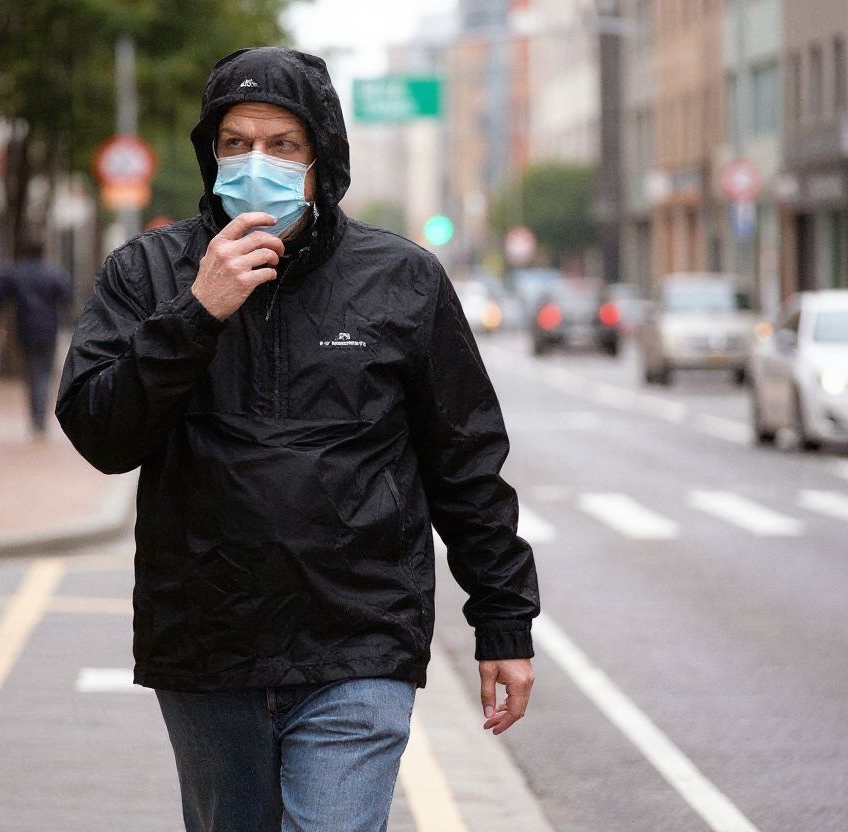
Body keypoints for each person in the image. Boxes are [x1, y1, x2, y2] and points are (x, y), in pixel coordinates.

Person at [56, 47, 539, 831]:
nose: (257, 163)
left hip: (358, 644)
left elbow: (467, 464)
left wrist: (503, 621)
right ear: (210, 154)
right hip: (206, 645)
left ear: (322, 159)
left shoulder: (402, 281)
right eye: (236, 143)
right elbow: (101, 433)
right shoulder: (146, 273)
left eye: (282, 145)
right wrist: (196, 312)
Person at [0, 242, 72, 437]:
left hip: (25, 329)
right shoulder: (53, 273)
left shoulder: (16, 273)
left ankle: (36, 417)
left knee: (32, 374)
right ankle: (40, 418)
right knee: (44, 374)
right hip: (49, 330)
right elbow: (68, 296)